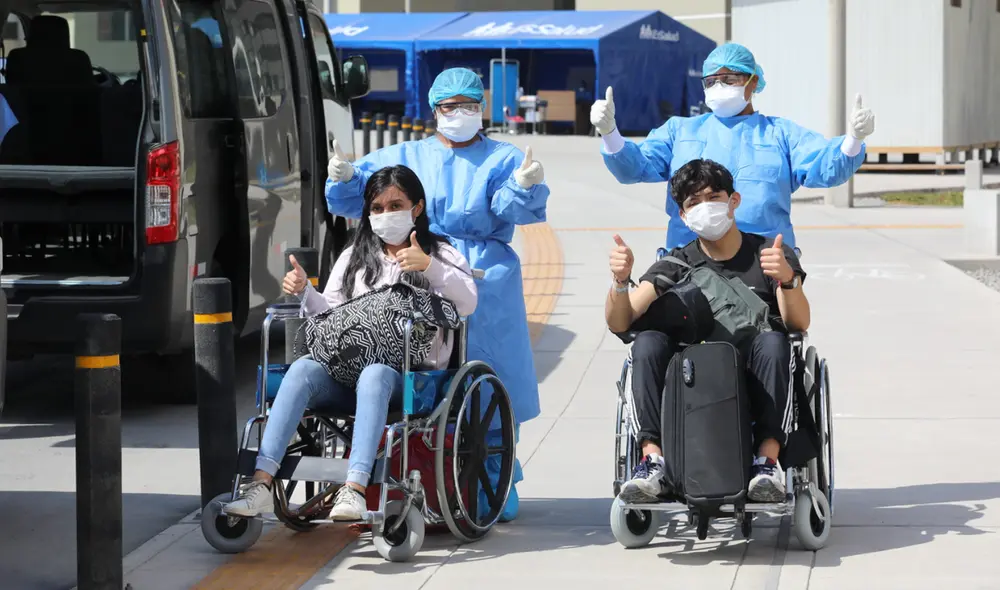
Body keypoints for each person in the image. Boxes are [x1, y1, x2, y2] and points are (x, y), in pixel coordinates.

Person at [324, 67, 548, 522]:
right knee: (417, 368)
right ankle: (415, 466)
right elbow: (361, 199)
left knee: (489, 375)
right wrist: (345, 177)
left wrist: (525, 186)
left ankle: (495, 473)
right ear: (434, 110)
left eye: (469, 106)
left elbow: (511, 208)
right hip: (414, 260)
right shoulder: (405, 154)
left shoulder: (503, 157)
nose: (460, 113)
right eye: (450, 106)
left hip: (484, 276)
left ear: (482, 109)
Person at [225, 165, 478, 521]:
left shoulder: (441, 254)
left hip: (411, 379)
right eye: (377, 208)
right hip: (346, 371)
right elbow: (329, 315)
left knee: (375, 373)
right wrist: (305, 291)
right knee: (302, 369)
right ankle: (261, 484)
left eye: (395, 206)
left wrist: (428, 267)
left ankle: (355, 489)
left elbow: (468, 303)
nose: (385, 214)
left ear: (417, 208)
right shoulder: (355, 256)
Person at [605, 159, 810, 504]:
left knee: (777, 342)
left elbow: (799, 324)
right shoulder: (676, 263)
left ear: (734, 200)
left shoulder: (769, 255)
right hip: (693, 378)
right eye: (693, 202)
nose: (705, 207)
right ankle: (652, 460)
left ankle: (767, 462)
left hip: (754, 372)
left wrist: (787, 280)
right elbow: (619, 322)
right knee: (647, 342)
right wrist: (621, 282)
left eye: (713, 197)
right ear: (683, 216)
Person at [592, 42, 876, 250]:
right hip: (689, 259)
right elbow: (634, 168)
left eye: (730, 79)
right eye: (712, 81)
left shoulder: (780, 133)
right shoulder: (680, 131)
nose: (720, 87)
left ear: (753, 82)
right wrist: (610, 133)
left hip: (764, 261)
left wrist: (853, 139)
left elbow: (825, 168)